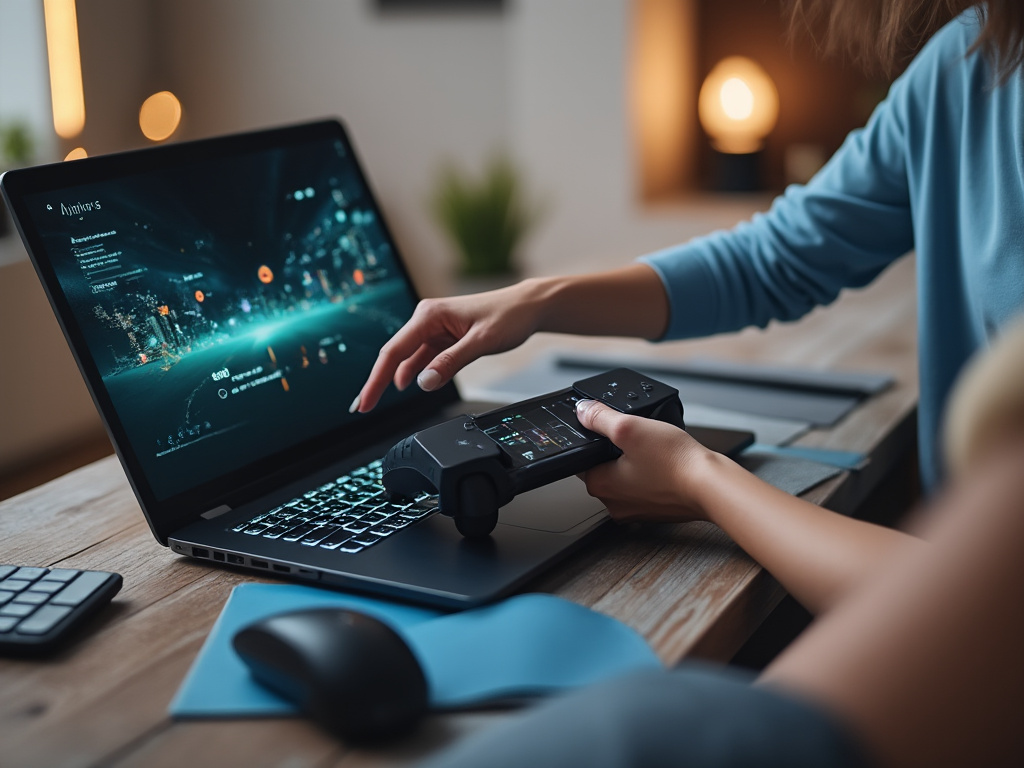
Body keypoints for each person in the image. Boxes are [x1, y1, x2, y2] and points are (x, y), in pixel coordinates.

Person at [352, 2, 1024, 763]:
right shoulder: (966, 60)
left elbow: (982, 609)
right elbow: (779, 257)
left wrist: (703, 478)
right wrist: (540, 301)